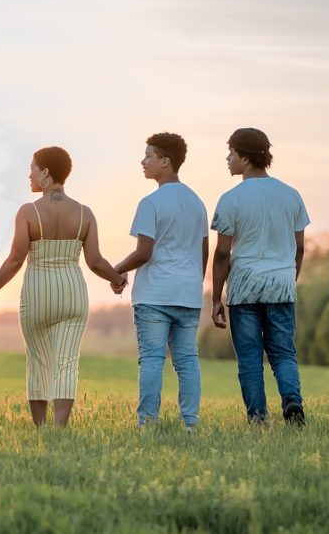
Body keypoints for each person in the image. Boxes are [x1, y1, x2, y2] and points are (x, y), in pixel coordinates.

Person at [0, 146, 127, 427]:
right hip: (72, 294)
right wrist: (117, 279)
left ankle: (41, 428)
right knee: (67, 362)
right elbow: (95, 261)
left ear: (45, 173)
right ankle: (59, 429)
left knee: (38, 362)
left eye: (32, 168)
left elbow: (15, 260)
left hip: (37, 294)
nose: (29, 175)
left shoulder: (28, 212)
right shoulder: (85, 213)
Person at [210, 127, 309, 426]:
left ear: (246, 157)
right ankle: (292, 400)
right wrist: (289, 280)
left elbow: (222, 255)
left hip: (244, 286)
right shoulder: (292, 195)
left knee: (250, 358)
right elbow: (300, 248)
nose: (227, 158)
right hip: (281, 283)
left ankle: (258, 418)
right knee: (283, 353)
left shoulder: (231, 199)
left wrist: (216, 297)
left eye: (231, 153)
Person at [113, 133, 209, 429]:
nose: (143, 162)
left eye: (148, 156)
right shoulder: (197, 202)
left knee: (152, 359)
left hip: (154, 295)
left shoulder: (151, 202)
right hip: (188, 294)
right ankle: (190, 423)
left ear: (165, 161)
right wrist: (193, 282)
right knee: (187, 361)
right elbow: (203, 252)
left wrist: (117, 269)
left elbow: (144, 252)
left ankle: (148, 423)